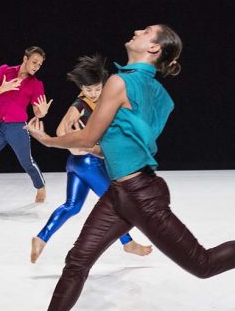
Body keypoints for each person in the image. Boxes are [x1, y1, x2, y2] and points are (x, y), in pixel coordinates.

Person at [26, 25, 235, 310]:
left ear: (153, 47)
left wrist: (48, 140)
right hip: (121, 193)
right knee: (77, 261)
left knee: (203, 264)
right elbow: (117, 143)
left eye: (144, 32)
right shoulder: (154, 91)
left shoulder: (120, 82)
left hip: (141, 195)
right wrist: (93, 146)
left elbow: (91, 135)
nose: (136, 32)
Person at [30, 54, 152, 263]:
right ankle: (128, 243)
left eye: (96, 88)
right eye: (88, 90)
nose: (93, 93)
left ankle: (41, 238)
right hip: (89, 162)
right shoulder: (80, 104)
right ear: (81, 88)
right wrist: (74, 146)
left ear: (103, 84)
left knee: (72, 205)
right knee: (116, 202)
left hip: (77, 165)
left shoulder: (108, 99)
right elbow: (60, 130)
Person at [0, 46, 53, 215]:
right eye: (34, 62)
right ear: (25, 59)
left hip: (17, 127)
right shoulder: (5, 71)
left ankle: (40, 186)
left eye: (39, 65)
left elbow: (37, 111)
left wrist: (42, 112)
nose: (36, 67)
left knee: (27, 162)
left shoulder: (36, 84)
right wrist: (2, 89)